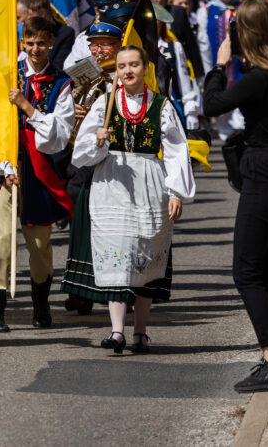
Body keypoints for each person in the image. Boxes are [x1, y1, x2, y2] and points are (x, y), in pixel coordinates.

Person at [203, 0, 268, 392]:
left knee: (247, 271)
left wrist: (218, 63)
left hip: (264, 172)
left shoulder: (259, 77)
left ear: (243, 32)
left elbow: (212, 105)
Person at [72, 45, 195, 354]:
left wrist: (177, 192)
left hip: (149, 182)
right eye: (122, 66)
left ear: (144, 68)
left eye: (134, 65)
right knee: (117, 251)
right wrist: (98, 141)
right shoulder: (105, 103)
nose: (127, 71)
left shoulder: (161, 105)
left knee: (145, 253)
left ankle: (140, 331)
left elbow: (178, 150)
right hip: (111, 183)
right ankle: (116, 331)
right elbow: (81, 154)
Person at [0, 16, 75, 332]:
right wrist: (6, 166)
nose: (35, 49)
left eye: (41, 43)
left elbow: (58, 134)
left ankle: (41, 305)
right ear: (22, 43)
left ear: (51, 44)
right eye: (29, 43)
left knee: (39, 244)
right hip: (4, 166)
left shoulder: (62, 82)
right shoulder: (7, 75)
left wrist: (26, 107)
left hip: (38, 169)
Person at [60, 0, 132, 315]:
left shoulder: (126, 78)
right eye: (94, 44)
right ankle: (81, 290)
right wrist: (70, 111)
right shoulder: (82, 75)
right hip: (82, 160)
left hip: (116, 162)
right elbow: (60, 111)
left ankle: (121, 290)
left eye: (105, 45)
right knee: (83, 227)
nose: (98, 49)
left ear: (118, 47)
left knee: (117, 229)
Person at [197, 0, 245, 140]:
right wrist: (207, 68)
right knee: (222, 96)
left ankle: (241, 129)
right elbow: (203, 42)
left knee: (241, 93)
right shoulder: (206, 10)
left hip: (240, 64)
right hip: (218, 61)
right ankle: (227, 135)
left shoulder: (243, 8)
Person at [25, 0, 74, 71]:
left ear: (50, 12)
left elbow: (58, 65)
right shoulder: (25, 31)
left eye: (41, 18)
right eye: (34, 19)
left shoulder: (65, 33)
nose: (38, 23)